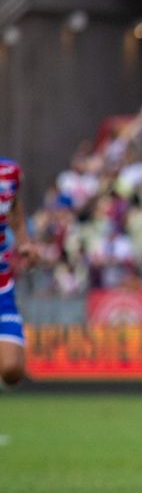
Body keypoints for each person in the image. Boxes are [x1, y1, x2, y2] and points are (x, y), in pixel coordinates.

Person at [0, 157, 34, 385]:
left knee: (12, 370)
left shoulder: (10, 173)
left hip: (2, 287)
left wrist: (25, 244)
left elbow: (15, 216)